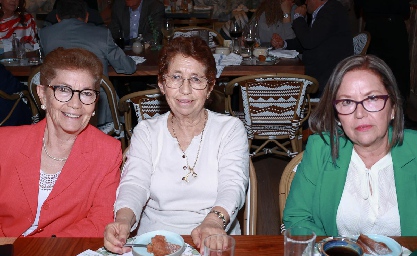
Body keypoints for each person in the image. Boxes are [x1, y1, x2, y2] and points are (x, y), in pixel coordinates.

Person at [103, 36, 249, 254]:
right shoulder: (146, 131)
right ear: (162, 84)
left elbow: (233, 184)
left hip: (213, 240)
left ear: (209, 88)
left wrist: (214, 220)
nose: (185, 90)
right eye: (176, 77)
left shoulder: (230, 129)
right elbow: (135, 184)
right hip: (154, 242)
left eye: (196, 79)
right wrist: (123, 220)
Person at [283, 54, 417, 236]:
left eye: (372, 98)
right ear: (337, 116)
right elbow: (296, 218)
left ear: (393, 108)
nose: (360, 113)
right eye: (347, 102)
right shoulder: (320, 149)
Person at [0, 47, 122, 237]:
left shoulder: (107, 151)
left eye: (87, 93)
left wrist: (43, 248)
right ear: (42, 94)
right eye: (63, 90)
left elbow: (101, 221)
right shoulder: (5, 143)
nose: (75, 104)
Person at [39, 0, 136, 127]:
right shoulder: (102, 34)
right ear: (87, 17)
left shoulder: (45, 34)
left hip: (60, 104)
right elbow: (128, 67)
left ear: (57, 18)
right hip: (99, 111)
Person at [354, 0, 417, 128]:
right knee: (397, 75)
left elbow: (359, 5)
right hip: (392, 28)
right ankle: (398, 117)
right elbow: (404, 9)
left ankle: (375, 112)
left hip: (373, 27)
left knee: (375, 73)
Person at [271, 0, 353, 96]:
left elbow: (309, 41)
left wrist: (298, 17)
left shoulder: (332, 9)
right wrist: (284, 44)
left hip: (327, 79)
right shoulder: (326, 10)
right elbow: (311, 39)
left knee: (279, 85)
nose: (305, 1)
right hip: (321, 72)